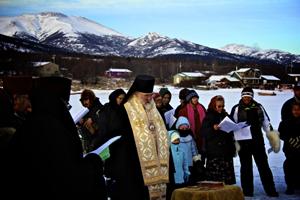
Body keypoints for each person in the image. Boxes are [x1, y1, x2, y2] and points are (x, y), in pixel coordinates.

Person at [1, 87, 107, 200]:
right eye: (65, 105)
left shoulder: (29, 127)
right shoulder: (50, 131)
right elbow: (70, 180)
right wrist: (93, 163)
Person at [98, 75, 170, 200]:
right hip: (133, 169)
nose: (149, 99)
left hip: (158, 168)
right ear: (136, 94)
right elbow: (115, 139)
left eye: (151, 95)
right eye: (145, 95)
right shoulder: (124, 111)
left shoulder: (155, 111)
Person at [230, 87, 280, 197]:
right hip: (243, 143)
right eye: (244, 96)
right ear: (242, 96)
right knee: (246, 168)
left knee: (263, 167)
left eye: (249, 96)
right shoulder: (237, 108)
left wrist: (272, 137)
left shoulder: (259, 107)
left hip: (257, 142)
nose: (246, 98)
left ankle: (271, 190)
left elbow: (266, 124)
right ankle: (247, 192)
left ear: (252, 97)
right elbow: (232, 125)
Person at [201, 95, 236, 185]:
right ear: (214, 105)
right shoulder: (208, 117)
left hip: (226, 153)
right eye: (219, 106)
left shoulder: (226, 116)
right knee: (214, 182)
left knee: (227, 182)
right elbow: (203, 133)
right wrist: (213, 128)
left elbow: (232, 131)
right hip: (214, 154)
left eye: (223, 106)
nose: (221, 108)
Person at [98, 88, 126, 200]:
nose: (122, 101)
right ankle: (111, 192)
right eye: (120, 98)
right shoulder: (107, 109)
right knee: (112, 171)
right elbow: (103, 128)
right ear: (115, 98)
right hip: (111, 145)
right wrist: (105, 144)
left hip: (122, 145)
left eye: (124, 99)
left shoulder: (124, 109)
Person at [278, 102, 300, 195]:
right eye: (294, 109)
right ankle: (290, 186)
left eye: (298, 109)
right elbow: (281, 133)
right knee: (289, 168)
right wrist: (290, 139)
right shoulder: (286, 121)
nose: (296, 112)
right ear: (291, 110)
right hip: (290, 149)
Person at [176, 116, 203, 185]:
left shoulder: (190, 138)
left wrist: (197, 160)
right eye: (182, 128)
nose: (184, 130)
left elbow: (194, 150)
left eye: (186, 128)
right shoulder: (175, 139)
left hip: (189, 165)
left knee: (189, 182)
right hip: (179, 166)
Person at [166, 130, 190, 200]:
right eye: (174, 140)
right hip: (172, 177)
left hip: (181, 175)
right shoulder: (168, 151)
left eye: (178, 140)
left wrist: (186, 172)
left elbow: (185, 163)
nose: (176, 141)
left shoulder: (182, 150)